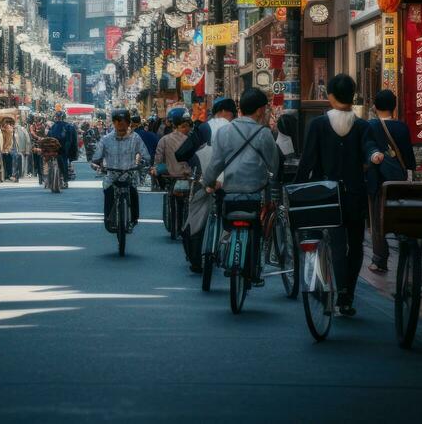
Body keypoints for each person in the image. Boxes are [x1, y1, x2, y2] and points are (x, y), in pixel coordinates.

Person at [295, 73, 368, 316]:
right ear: (352, 95)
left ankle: (336, 291)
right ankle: (347, 296)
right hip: (356, 194)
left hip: (326, 195)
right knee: (355, 245)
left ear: (330, 96)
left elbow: (307, 162)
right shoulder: (362, 126)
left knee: (336, 243)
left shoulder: (317, 124)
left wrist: (296, 188)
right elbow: (369, 156)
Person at [204, 89, 279, 285]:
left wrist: (209, 181)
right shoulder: (264, 134)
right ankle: (253, 270)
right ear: (261, 110)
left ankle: (226, 249)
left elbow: (216, 163)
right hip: (255, 193)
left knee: (226, 222)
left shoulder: (224, 132)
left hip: (230, 192)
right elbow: (274, 165)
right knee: (256, 228)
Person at [364, 89, 416, 273]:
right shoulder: (402, 127)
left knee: (377, 221)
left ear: (375, 107)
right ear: (394, 107)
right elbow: (409, 158)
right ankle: (407, 249)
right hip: (398, 181)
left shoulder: (369, 126)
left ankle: (379, 260)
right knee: (400, 215)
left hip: (377, 181)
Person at [91, 108, 151, 229]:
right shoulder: (106, 139)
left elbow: (146, 156)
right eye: (117, 122)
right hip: (112, 176)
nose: (120, 125)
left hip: (130, 175)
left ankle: (134, 219)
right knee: (108, 193)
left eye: (123, 122)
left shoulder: (136, 138)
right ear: (113, 123)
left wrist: (143, 163)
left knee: (134, 193)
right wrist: (97, 165)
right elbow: (96, 158)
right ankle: (108, 219)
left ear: (129, 123)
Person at [152, 113, 193, 182]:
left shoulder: (164, 139)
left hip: (169, 179)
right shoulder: (190, 140)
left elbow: (158, 161)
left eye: (188, 126)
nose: (187, 129)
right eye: (184, 126)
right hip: (186, 178)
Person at [48, 111, 74, 188]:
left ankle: (65, 180)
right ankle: (52, 180)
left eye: (59, 117)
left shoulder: (67, 126)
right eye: (57, 117)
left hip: (63, 149)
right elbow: (50, 136)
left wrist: (66, 149)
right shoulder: (54, 126)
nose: (58, 118)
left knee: (64, 163)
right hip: (54, 148)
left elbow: (69, 140)